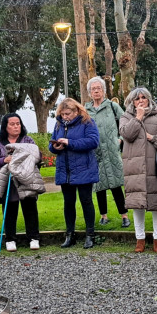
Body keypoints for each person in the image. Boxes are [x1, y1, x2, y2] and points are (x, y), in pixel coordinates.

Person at [119, 87, 157, 253]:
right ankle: (140, 239)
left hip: (155, 168)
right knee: (137, 204)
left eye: (143, 97)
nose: (140, 100)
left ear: (149, 99)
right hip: (134, 167)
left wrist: (152, 138)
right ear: (132, 102)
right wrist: (138, 118)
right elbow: (127, 135)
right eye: (137, 98)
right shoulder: (125, 117)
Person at [50, 98, 101, 249]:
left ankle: (90, 235)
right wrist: (56, 147)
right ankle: (69, 235)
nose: (65, 116)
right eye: (63, 114)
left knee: (86, 201)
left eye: (68, 113)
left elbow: (93, 141)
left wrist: (69, 143)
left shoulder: (87, 122)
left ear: (76, 111)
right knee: (68, 202)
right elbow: (51, 144)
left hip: (83, 168)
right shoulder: (59, 123)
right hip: (65, 170)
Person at [0, 113, 40, 252]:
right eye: (12, 124)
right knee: (10, 210)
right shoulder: (0, 143)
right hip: (9, 181)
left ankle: (34, 238)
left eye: (18, 123)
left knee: (30, 208)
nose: (16, 126)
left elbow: (37, 156)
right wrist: (4, 160)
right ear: (5, 127)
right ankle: (10, 239)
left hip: (26, 179)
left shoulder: (27, 140)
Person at [85, 77, 130, 228]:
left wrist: (121, 139)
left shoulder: (112, 106)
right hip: (95, 152)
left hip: (111, 150)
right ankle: (103, 215)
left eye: (99, 88)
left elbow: (126, 122)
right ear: (90, 92)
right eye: (93, 89)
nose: (96, 91)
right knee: (99, 185)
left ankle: (124, 215)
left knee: (116, 183)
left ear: (104, 91)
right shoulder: (86, 110)